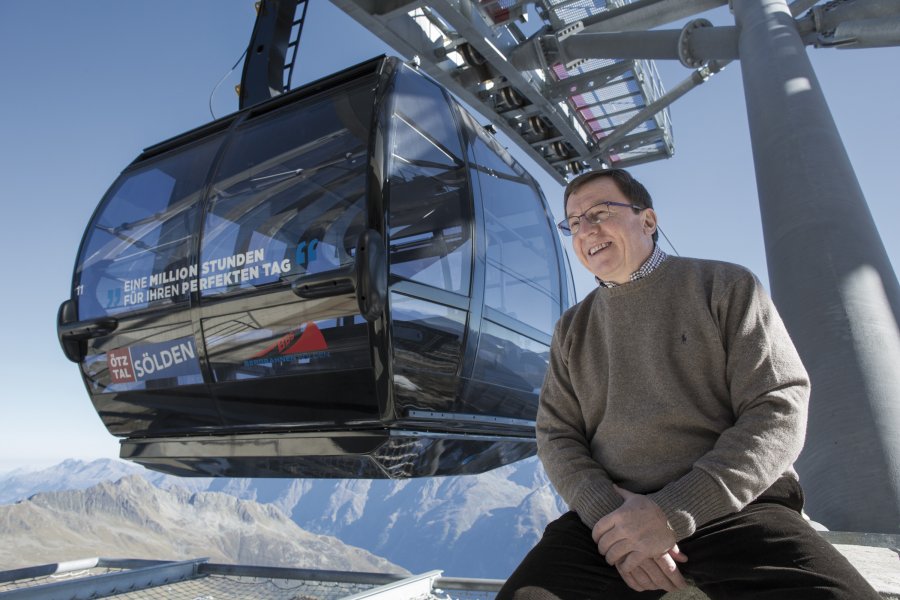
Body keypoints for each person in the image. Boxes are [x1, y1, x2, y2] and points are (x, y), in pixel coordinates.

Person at [498, 169, 879, 599]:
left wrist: (670, 513)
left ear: (647, 220)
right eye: (575, 222)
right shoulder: (572, 328)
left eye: (600, 212)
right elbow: (556, 435)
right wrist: (617, 519)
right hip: (614, 516)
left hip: (733, 509)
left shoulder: (725, 286)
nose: (587, 229)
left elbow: (778, 404)